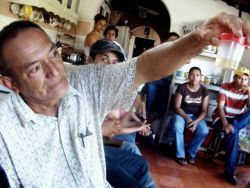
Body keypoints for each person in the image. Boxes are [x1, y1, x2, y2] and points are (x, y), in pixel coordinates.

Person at [0, 12, 249, 187]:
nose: (55, 71)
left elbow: (142, 67)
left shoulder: (82, 81)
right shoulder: (4, 130)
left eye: (53, 54)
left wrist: (199, 37)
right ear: (9, 83)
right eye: (35, 68)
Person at [212, 66, 250, 185]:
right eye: (240, 78)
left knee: (234, 129)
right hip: (221, 118)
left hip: (236, 120)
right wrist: (225, 124)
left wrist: (249, 91)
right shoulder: (225, 86)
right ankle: (229, 173)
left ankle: (235, 126)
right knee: (233, 135)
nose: (243, 81)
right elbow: (220, 107)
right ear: (234, 78)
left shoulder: (246, 90)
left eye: (245, 79)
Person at [173, 67, 209, 165]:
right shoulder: (182, 87)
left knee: (204, 131)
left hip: (197, 117)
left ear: (200, 77)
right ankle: (180, 155)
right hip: (182, 114)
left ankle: (191, 154)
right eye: (192, 75)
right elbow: (177, 107)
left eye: (197, 75)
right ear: (188, 76)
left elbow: (204, 111)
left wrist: (196, 122)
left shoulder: (204, 90)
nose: (195, 77)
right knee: (177, 127)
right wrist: (188, 119)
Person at [145, 32, 180, 118]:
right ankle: (148, 111)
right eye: (171, 40)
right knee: (150, 85)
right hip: (156, 78)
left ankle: (158, 114)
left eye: (175, 41)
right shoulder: (159, 50)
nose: (173, 42)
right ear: (166, 41)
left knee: (166, 89)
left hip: (168, 80)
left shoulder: (179, 53)